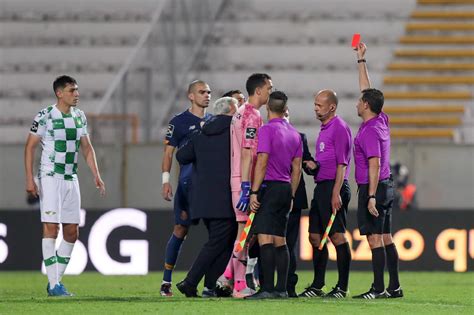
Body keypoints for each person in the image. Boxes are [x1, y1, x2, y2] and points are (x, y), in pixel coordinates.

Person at [24, 75, 105, 296]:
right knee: (52, 228)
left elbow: (86, 148)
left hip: (71, 178)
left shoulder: (80, 116)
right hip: (50, 177)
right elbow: (30, 147)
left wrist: (96, 174)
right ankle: (54, 285)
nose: (76, 94)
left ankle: (54, 281)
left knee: (72, 232)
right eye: (72, 90)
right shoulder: (45, 115)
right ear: (59, 93)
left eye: (77, 90)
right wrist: (30, 178)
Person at [352, 43, 403, 299]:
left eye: (360, 101)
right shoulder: (380, 119)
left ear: (366, 106)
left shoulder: (370, 130)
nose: (357, 102)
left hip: (375, 187)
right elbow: (367, 90)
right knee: (385, 237)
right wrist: (361, 61)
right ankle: (394, 288)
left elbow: (373, 163)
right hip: (387, 185)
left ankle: (378, 288)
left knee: (374, 239)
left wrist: (370, 196)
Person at [175, 97, 238, 298]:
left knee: (223, 242)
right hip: (226, 196)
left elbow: (182, 156)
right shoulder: (234, 131)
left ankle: (210, 287)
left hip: (203, 198)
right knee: (217, 242)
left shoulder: (200, 133)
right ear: (230, 111)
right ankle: (190, 281)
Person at [217, 73, 273, 298]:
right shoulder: (252, 115)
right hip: (244, 181)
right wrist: (248, 187)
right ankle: (239, 284)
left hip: (238, 179)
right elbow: (248, 153)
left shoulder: (240, 113)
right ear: (258, 90)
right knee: (244, 234)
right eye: (269, 87)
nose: (271, 91)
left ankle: (227, 277)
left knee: (245, 234)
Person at [246, 91, 302, 299]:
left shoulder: (266, 130)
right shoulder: (295, 134)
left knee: (265, 239)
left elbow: (262, 161)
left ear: (268, 108)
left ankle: (267, 288)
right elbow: (297, 169)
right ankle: (282, 289)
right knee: (281, 240)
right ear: (285, 109)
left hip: (269, 187)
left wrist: (254, 192)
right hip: (286, 189)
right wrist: (292, 195)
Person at [298, 89, 353, 299]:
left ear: (331, 107)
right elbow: (330, 162)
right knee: (314, 237)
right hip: (322, 186)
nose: (315, 108)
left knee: (337, 236)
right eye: (315, 104)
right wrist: (315, 166)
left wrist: (336, 192)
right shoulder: (325, 128)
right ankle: (318, 284)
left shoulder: (339, 128)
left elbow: (342, 164)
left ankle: (342, 287)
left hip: (333, 188)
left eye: (319, 105)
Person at [160, 80, 212, 297]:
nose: (207, 95)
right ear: (191, 96)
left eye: (209, 92)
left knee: (218, 234)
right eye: (202, 92)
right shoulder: (179, 122)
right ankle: (166, 281)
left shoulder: (215, 121)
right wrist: (165, 180)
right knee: (180, 230)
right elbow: (169, 153)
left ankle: (213, 284)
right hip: (187, 186)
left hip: (211, 186)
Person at [282, 109, 315, 298]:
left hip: (294, 198)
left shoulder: (298, 137)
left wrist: (313, 166)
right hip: (275, 194)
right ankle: (268, 282)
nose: (285, 115)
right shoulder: (266, 133)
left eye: (287, 113)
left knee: (289, 243)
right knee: (270, 242)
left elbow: (306, 161)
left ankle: (288, 285)